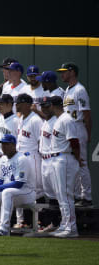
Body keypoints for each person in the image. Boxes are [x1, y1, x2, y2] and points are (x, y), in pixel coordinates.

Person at [56, 62, 92, 207]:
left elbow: (87, 115)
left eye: (64, 71)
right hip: (70, 129)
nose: (62, 74)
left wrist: (87, 134)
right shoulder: (68, 90)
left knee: (82, 163)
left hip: (78, 127)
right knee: (74, 164)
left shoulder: (79, 90)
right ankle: (77, 195)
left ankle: (87, 196)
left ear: (72, 72)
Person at [0, 134, 36, 236]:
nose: (3, 147)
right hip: (11, 193)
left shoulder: (21, 159)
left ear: (13, 145)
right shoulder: (3, 159)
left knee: (7, 192)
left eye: (6, 144)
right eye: (2, 144)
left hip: (27, 192)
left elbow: (18, 184)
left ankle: (3, 229)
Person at [49, 96, 81, 238]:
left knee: (66, 195)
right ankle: (65, 224)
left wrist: (78, 157)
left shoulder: (66, 119)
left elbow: (74, 141)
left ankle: (71, 228)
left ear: (53, 105)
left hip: (65, 158)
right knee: (61, 195)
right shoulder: (59, 119)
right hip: (58, 158)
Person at [38, 97, 60, 232]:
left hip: (53, 159)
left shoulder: (56, 122)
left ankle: (62, 223)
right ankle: (54, 223)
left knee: (58, 194)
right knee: (49, 194)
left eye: (47, 106)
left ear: (52, 106)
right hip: (44, 160)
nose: (44, 108)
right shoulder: (45, 122)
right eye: (42, 106)